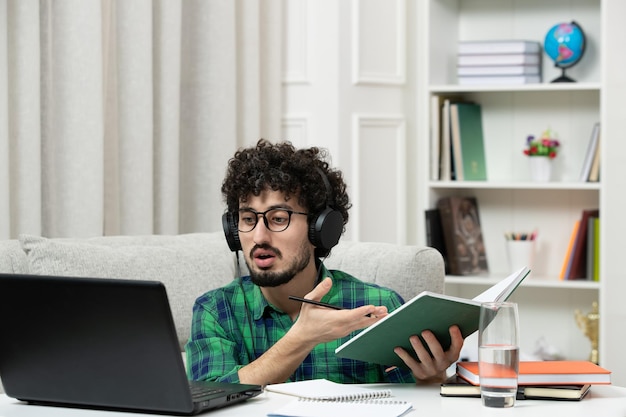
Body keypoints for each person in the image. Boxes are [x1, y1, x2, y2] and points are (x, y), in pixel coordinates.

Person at [185, 139, 463, 386]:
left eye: (278, 218)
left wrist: (432, 378)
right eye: (248, 219)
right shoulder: (216, 311)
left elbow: (413, 404)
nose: (259, 236)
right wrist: (302, 337)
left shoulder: (378, 306)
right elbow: (211, 398)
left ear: (321, 229)